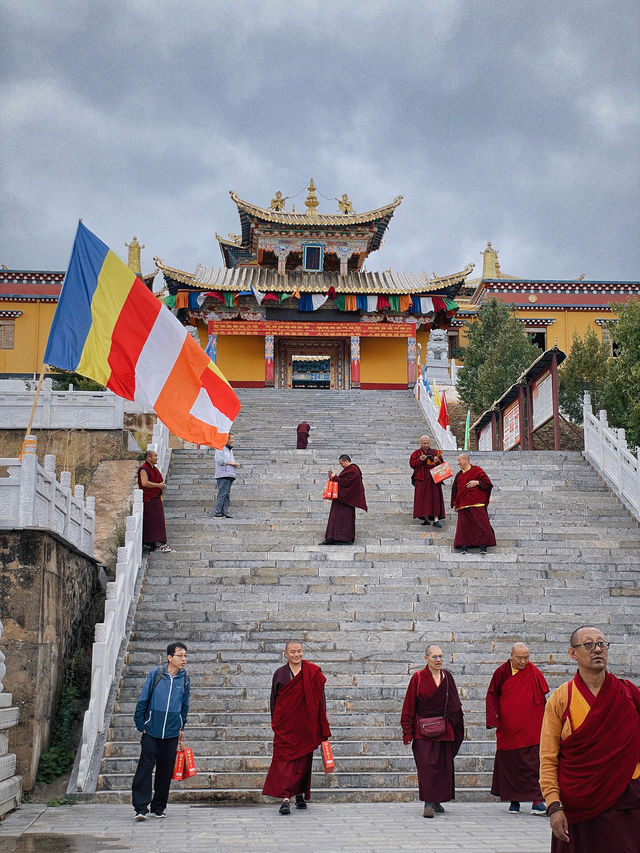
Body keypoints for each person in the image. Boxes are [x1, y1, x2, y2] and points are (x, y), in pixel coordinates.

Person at [540, 626, 640, 852]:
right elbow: (548, 758)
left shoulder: (627, 693)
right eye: (588, 645)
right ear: (573, 653)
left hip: (626, 801)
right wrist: (554, 806)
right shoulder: (560, 699)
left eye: (602, 644)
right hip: (578, 805)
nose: (597, 649)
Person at [262, 640, 331, 815]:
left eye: (299, 651)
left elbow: (320, 700)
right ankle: (285, 798)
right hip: (286, 727)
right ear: (285, 653)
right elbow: (274, 701)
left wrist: (321, 724)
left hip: (306, 726)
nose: (297, 655)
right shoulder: (280, 674)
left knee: (303, 762)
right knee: (283, 762)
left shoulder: (312, 672)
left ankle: (299, 794)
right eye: (292, 652)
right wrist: (276, 724)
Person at [401, 644, 465, 818]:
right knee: (427, 766)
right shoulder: (419, 677)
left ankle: (437, 800)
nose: (438, 660)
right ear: (426, 658)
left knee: (443, 766)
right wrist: (407, 732)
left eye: (440, 656)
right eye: (434, 657)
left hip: (444, 729)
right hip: (423, 730)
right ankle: (428, 803)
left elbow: (454, 704)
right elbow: (409, 706)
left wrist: (458, 726)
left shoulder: (447, 677)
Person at [486, 642, 549, 815]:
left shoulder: (534, 672)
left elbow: (543, 696)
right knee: (511, 764)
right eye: (520, 658)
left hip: (532, 727)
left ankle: (537, 801)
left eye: (526, 658)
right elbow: (491, 695)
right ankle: (514, 801)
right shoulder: (501, 672)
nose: (523, 661)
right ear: (511, 656)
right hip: (509, 727)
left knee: (534, 764)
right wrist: (493, 718)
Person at [132, 642, 190, 821]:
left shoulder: (185, 679)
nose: (184, 659)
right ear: (169, 657)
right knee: (145, 768)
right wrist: (142, 724)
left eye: (185, 656)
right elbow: (143, 700)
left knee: (165, 771)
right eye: (180, 655)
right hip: (151, 730)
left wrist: (181, 726)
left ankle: (158, 807)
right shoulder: (156, 675)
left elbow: (184, 706)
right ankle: (141, 808)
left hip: (172, 732)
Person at [450, 452, 496, 555]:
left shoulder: (477, 470)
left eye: (459, 460)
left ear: (465, 460)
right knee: (464, 527)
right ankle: (464, 546)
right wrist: (454, 503)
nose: (458, 463)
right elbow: (455, 489)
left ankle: (483, 547)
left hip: (477, 502)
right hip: (463, 503)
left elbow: (488, 483)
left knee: (481, 524)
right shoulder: (459, 474)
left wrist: (477, 482)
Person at [319, 454, 367, 545]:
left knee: (343, 519)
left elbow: (347, 483)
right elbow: (344, 481)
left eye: (341, 464)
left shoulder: (353, 470)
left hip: (346, 500)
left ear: (346, 461)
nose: (341, 466)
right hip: (342, 499)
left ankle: (343, 538)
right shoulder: (350, 470)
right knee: (337, 518)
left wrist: (335, 477)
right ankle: (334, 537)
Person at [138, 449, 174, 552]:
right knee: (154, 522)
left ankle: (158, 543)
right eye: (155, 456)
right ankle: (158, 544)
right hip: (149, 499)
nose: (157, 458)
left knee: (158, 521)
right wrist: (159, 485)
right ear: (149, 458)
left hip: (155, 498)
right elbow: (144, 483)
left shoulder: (153, 468)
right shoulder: (143, 469)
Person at [409, 435, 445, 527]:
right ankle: (426, 519)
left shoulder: (435, 452)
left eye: (427, 443)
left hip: (433, 478)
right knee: (423, 499)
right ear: (420, 443)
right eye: (424, 443)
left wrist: (437, 461)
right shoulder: (416, 453)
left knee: (435, 498)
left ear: (430, 443)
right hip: (422, 478)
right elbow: (412, 465)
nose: (426, 444)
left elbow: (442, 465)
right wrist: (420, 460)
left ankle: (436, 520)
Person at [213, 432, 238, 518]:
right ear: (226, 439)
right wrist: (232, 463)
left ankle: (224, 512)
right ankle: (217, 512)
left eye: (233, 439)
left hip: (229, 474)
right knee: (223, 493)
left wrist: (234, 465)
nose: (233, 440)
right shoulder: (220, 448)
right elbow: (220, 460)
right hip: (223, 474)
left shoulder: (229, 449)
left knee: (226, 494)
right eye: (231, 439)